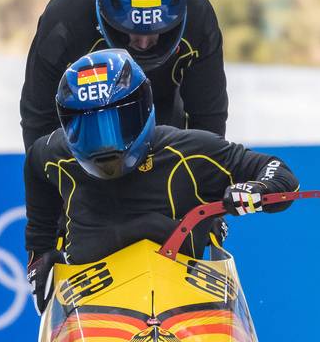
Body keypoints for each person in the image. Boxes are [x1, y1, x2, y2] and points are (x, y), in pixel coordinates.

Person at [24, 49, 295, 311]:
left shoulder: (188, 150)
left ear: (143, 109)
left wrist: (258, 189)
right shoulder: (55, 153)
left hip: (188, 303)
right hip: (92, 309)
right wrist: (41, 249)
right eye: (89, 129)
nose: (106, 145)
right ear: (68, 126)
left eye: (118, 122)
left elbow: (277, 171)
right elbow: (35, 164)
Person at [20, 0, 228, 149]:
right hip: (87, 113)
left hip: (160, 106)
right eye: (132, 32)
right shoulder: (65, 17)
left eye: (156, 32)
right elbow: (38, 117)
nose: (143, 44)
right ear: (105, 18)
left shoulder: (198, 16)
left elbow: (209, 117)